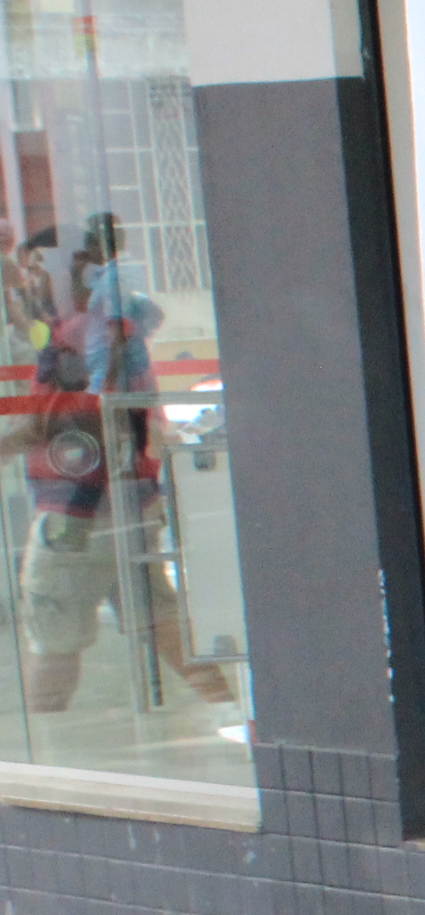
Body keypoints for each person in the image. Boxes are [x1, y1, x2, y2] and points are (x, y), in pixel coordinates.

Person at [13, 216, 230, 718]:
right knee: (162, 624)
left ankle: (46, 753)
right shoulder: (114, 326)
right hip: (128, 504)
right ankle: (237, 712)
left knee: (54, 638)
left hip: (79, 514)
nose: (31, 280)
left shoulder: (86, 335)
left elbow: (79, 419)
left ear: (79, 270)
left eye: (37, 268)